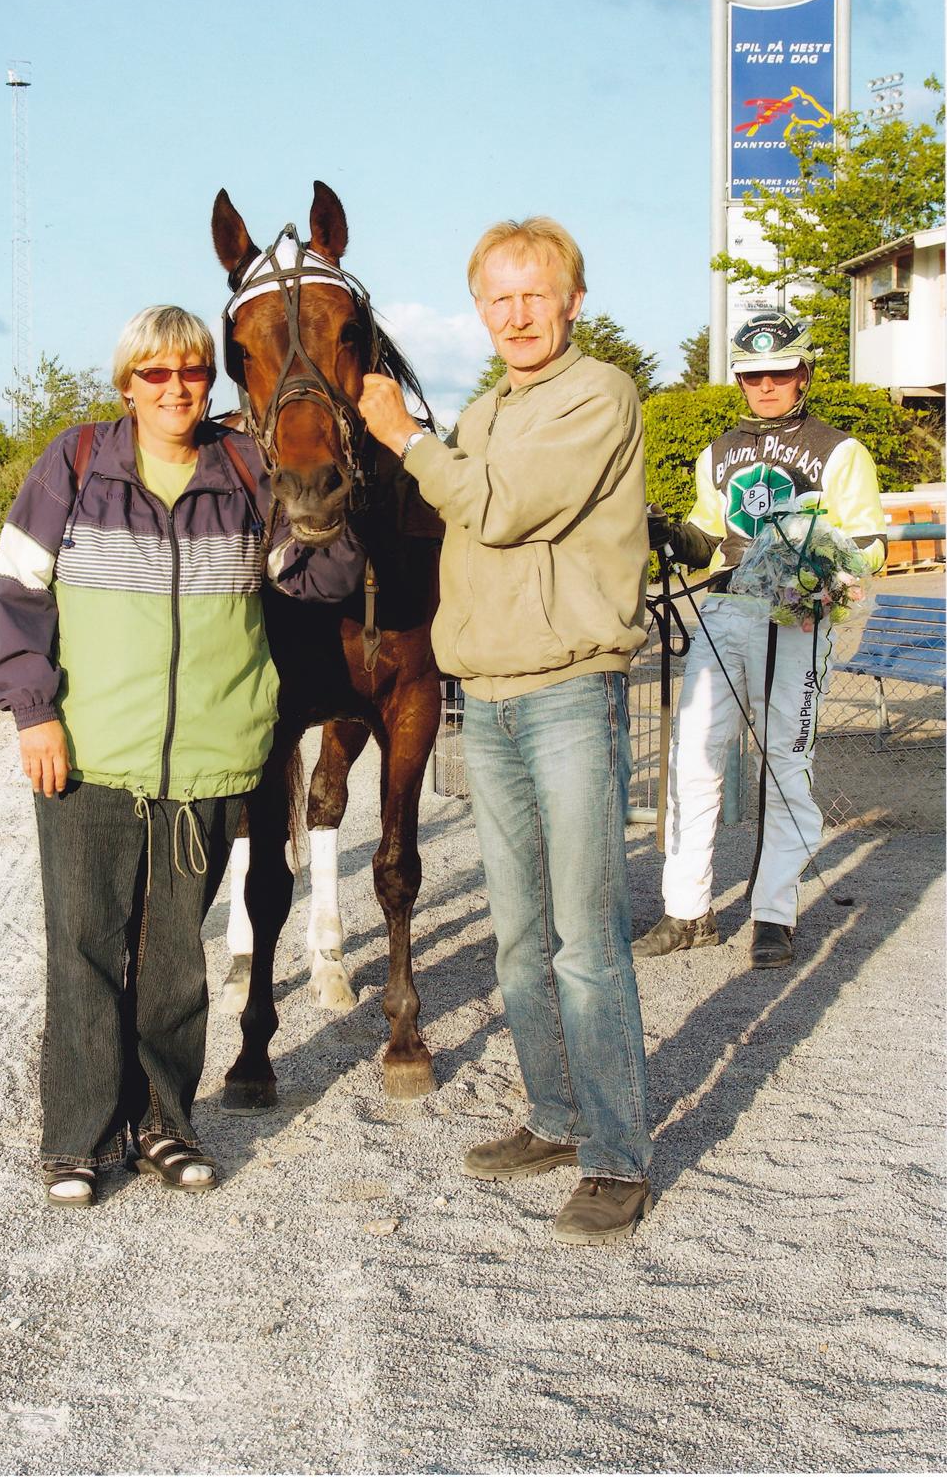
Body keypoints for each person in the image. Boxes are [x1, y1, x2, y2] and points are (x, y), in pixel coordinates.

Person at [0, 305, 363, 1207]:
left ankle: (163, 1125)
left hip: (208, 759)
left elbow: (317, 579)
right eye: (155, 373)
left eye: (191, 371)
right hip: (90, 756)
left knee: (173, 962)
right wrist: (33, 712)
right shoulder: (76, 463)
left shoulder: (244, 469)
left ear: (209, 380)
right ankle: (77, 1139)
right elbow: (17, 590)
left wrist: (320, 508)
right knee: (84, 949)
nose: (175, 388)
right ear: (128, 385)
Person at [360, 218, 652, 1247]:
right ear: (479, 308)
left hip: (569, 693)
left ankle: (616, 1157)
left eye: (535, 294)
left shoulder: (596, 394)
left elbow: (497, 509)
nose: (517, 314)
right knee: (520, 940)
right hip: (484, 700)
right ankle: (555, 1116)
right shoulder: (483, 410)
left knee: (585, 942)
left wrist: (404, 437)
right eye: (498, 298)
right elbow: (440, 515)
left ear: (572, 300)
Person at [635, 311, 887, 970]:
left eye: (779, 372)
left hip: (795, 620)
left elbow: (869, 543)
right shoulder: (716, 452)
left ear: (803, 374)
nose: (765, 386)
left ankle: (774, 913)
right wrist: (669, 535)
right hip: (724, 612)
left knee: (785, 764)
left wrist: (813, 565)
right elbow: (707, 536)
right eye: (752, 376)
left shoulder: (840, 451)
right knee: (692, 757)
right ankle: (687, 910)